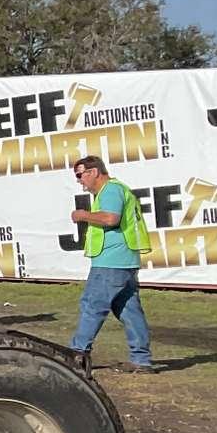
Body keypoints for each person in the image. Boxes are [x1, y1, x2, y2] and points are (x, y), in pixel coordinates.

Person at [68, 155, 155, 371]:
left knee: (92, 305)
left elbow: (110, 219)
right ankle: (141, 360)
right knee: (128, 309)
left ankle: (77, 354)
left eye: (80, 175)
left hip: (111, 261)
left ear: (94, 172)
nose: (79, 181)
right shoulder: (116, 190)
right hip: (123, 260)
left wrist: (83, 215)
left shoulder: (110, 190)